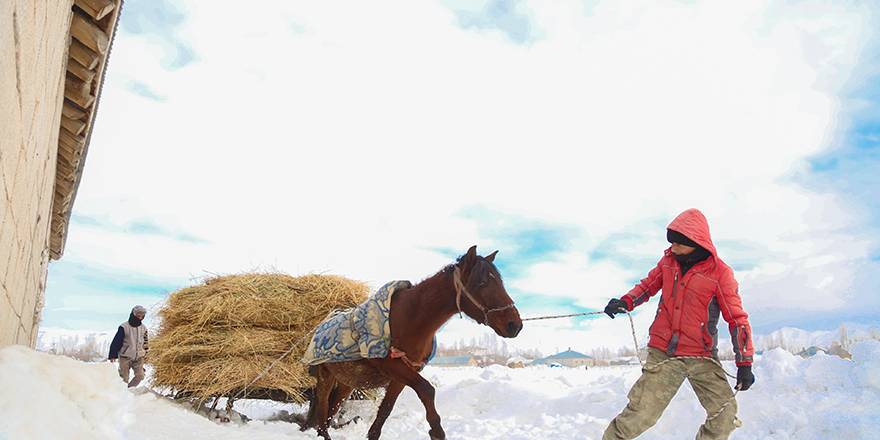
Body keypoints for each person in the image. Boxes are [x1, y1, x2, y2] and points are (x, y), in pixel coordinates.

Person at [602, 209, 755, 440]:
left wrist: (745, 362)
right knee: (641, 415)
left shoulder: (720, 274)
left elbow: (737, 320)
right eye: (671, 243)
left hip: (700, 355)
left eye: (678, 244)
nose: (673, 248)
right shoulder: (668, 262)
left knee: (725, 415)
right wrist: (625, 302)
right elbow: (647, 286)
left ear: (695, 242)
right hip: (663, 352)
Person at [108, 305, 149, 388]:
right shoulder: (124, 327)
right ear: (133, 314)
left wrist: (146, 353)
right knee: (124, 379)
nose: (140, 317)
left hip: (139, 357)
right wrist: (112, 355)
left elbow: (146, 342)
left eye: (142, 315)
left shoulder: (143, 328)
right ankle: (122, 392)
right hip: (125, 357)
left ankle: (129, 390)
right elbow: (116, 341)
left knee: (140, 376)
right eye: (138, 315)